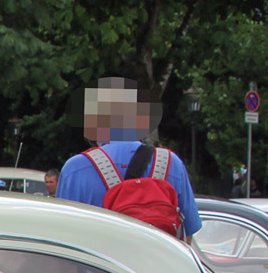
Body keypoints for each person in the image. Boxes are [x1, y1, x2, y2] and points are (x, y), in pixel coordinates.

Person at [56, 79, 203, 239]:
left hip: (102, 262)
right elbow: (189, 232)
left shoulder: (76, 169)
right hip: (158, 262)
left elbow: (62, 236)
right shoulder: (170, 163)